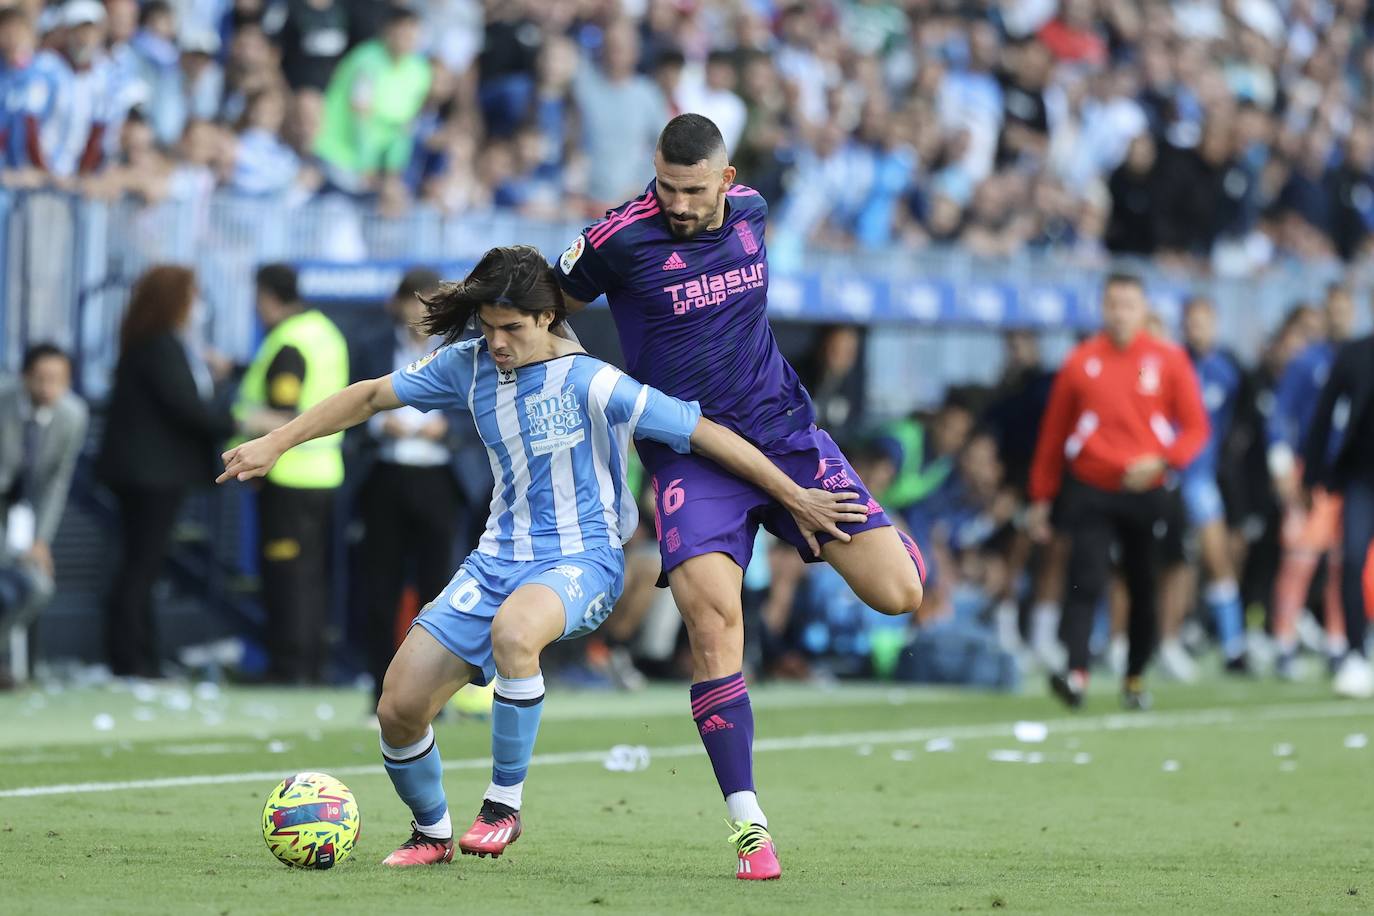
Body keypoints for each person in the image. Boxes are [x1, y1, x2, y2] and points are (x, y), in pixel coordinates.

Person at [218, 245, 865, 869]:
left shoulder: (596, 382)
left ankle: (503, 805)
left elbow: (706, 434)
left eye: (511, 329)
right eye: (487, 327)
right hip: (495, 561)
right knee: (398, 708)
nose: (497, 343)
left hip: (585, 561)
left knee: (516, 632)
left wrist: (794, 497)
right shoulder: (470, 367)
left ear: (547, 318)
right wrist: (276, 441)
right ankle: (431, 831)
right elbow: (366, 398)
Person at [554, 113, 925, 879]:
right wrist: (593, 383)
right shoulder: (619, 239)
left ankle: (878, 535)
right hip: (692, 457)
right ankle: (749, 824)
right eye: (665, 188)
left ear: (725, 181)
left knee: (900, 595)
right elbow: (545, 303)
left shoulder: (752, 211)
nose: (678, 206)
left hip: (784, 433)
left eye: (692, 191)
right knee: (713, 623)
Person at [1027, 273, 1208, 711]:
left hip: (1147, 491)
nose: (1121, 312)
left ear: (1143, 309)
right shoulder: (1080, 361)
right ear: (1103, 308)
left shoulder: (1169, 359)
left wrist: (1163, 461)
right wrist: (1040, 496)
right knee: (1085, 577)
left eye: (1129, 304)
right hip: (1091, 488)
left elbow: (1197, 428)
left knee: (1143, 584)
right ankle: (1075, 670)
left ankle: (1134, 676)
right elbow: (1053, 435)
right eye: (1113, 303)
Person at [96, 265, 235, 678]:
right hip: (151, 476)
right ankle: (133, 659)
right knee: (141, 566)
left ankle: (141, 656)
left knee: (142, 565)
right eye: (191, 295)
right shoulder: (159, 346)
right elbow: (188, 409)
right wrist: (236, 417)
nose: (197, 305)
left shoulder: (150, 343)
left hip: (145, 474)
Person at [351, 268, 469, 711]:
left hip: (439, 478)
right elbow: (355, 404)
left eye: (430, 304)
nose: (421, 314)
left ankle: (434, 695)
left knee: (439, 591)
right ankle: (380, 691)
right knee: (379, 587)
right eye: (414, 303)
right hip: (386, 474)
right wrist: (383, 423)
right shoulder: (372, 348)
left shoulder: (460, 351)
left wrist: (448, 427)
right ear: (397, 304)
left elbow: (476, 412)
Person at [232, 262, 349, 683]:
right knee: (312, 577)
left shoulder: (288, 342)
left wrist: (239, 418)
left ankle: (288, 667)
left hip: (290, 477)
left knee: (285, 578)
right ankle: (311, 662)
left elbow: (284, 411)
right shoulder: (324, 332)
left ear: (266, 296)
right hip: (324, 472)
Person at [1269, 285, 1357, 676]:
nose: (1339, 317)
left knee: (1345, 561)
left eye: (1344, 310)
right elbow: (1281, 414)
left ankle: (1339, 641)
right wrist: (1283, 463)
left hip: (1353, 473)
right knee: (1300, 560)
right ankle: (1283, 641)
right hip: (1313, 473)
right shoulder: (1307, 362)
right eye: (1332, 310)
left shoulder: (1360, 358)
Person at [0, 344, 87, 687]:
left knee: (39, 586)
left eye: (57, 380)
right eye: (40, 379)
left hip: (22, 517)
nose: (48, 388)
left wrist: (40, 540)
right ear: (24, 377)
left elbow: (56, 482)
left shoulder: (73, 415)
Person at [1302, 292, 1374, 698]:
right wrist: (1311, 475)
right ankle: (1354, 654)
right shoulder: (1355, 354)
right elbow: (1325, 413)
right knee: (1351, 560)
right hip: (1364, 477)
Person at [1179, 297, 1248, 673]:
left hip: (1201, 477)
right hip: (1168, 476)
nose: (1197, 330)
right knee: (1171, 563)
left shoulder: (1226, 371)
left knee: (1216, 555)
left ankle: (1233, 643)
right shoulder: (1169, 365)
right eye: (1191, 322)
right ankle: (1167, 638)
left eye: (1204, 322)